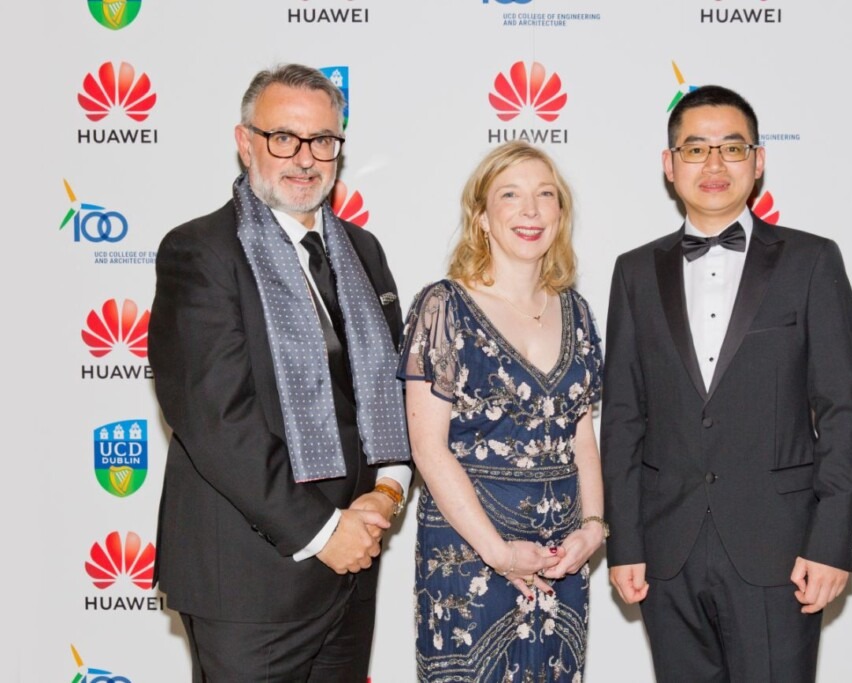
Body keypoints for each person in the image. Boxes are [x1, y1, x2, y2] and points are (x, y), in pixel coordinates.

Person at [149, 63, 412, 682]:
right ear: (246, 143)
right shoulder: (200, 251)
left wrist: (386, 493)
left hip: (354, 565)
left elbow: (389, 393)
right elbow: (216, 421)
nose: (305, 158)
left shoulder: (362, 251)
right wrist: (324, 532)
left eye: (322, 140)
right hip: (250, 580)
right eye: (284, 138)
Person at [601, 85, 852, 682]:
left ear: (759, 159)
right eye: (696, 149)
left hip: (781, 550)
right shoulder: (634, 271)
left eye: (732, 147)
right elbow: (622, 417)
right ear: (670, 164)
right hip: (667, 550)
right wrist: (627, 543)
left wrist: (829, 542)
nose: (714, 164)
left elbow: (842, 413)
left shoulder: (812, 261)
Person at [399, 141, 606, 682]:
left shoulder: (577, 311)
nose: (530, 210)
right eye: (510, 195)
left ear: (560, 213)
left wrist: (592, 528)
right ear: (482, 217)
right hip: (470, 553)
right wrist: (498, 552)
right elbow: (428, 449)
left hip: (561, 560)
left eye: (545, 195)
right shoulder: (443, 306)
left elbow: (582, 437)